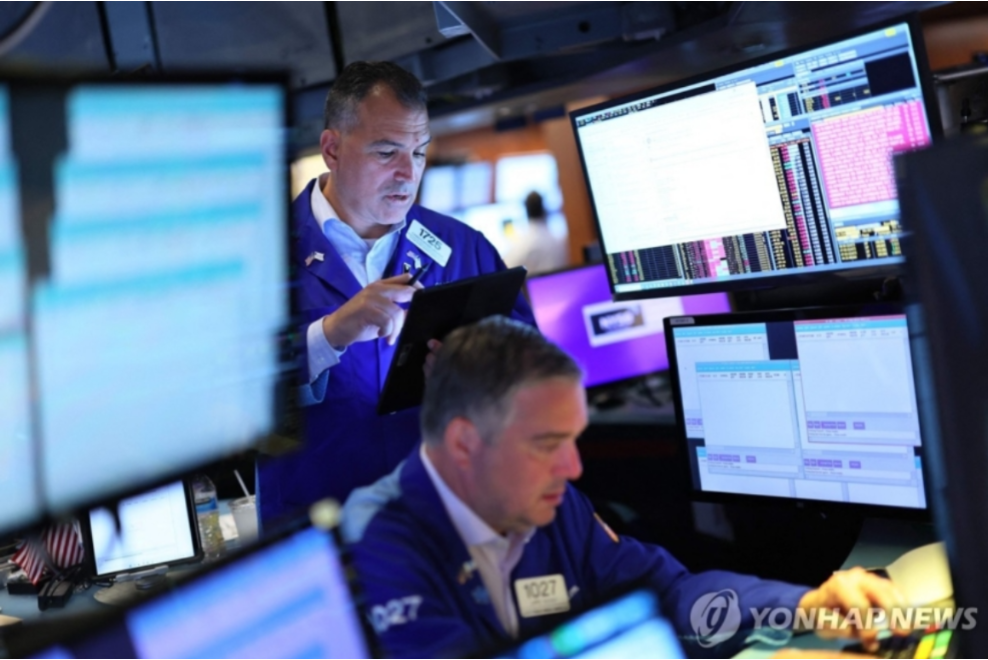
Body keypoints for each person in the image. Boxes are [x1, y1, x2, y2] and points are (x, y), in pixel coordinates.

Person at [342, 317, 908, 659]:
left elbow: (670, 596)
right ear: (465, 442)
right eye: (547, 443)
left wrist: (801, 606)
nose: (573, 468)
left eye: (574, 440)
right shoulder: (377, 542)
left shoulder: (551, 503)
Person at [258, 62, 535, 525]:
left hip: (443, 520)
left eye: (419, 152)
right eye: (387, 153)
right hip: (319, 532)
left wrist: (481, 380)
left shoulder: (462, 247)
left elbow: (531, 376)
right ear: (332, 149)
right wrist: (329, 334)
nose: (408, 173)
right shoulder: (257, 254)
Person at [503, 191, 569, 275]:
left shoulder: (522, 245)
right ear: (544, 209)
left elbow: (507, 268)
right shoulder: (559, 240)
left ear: (526, 211)